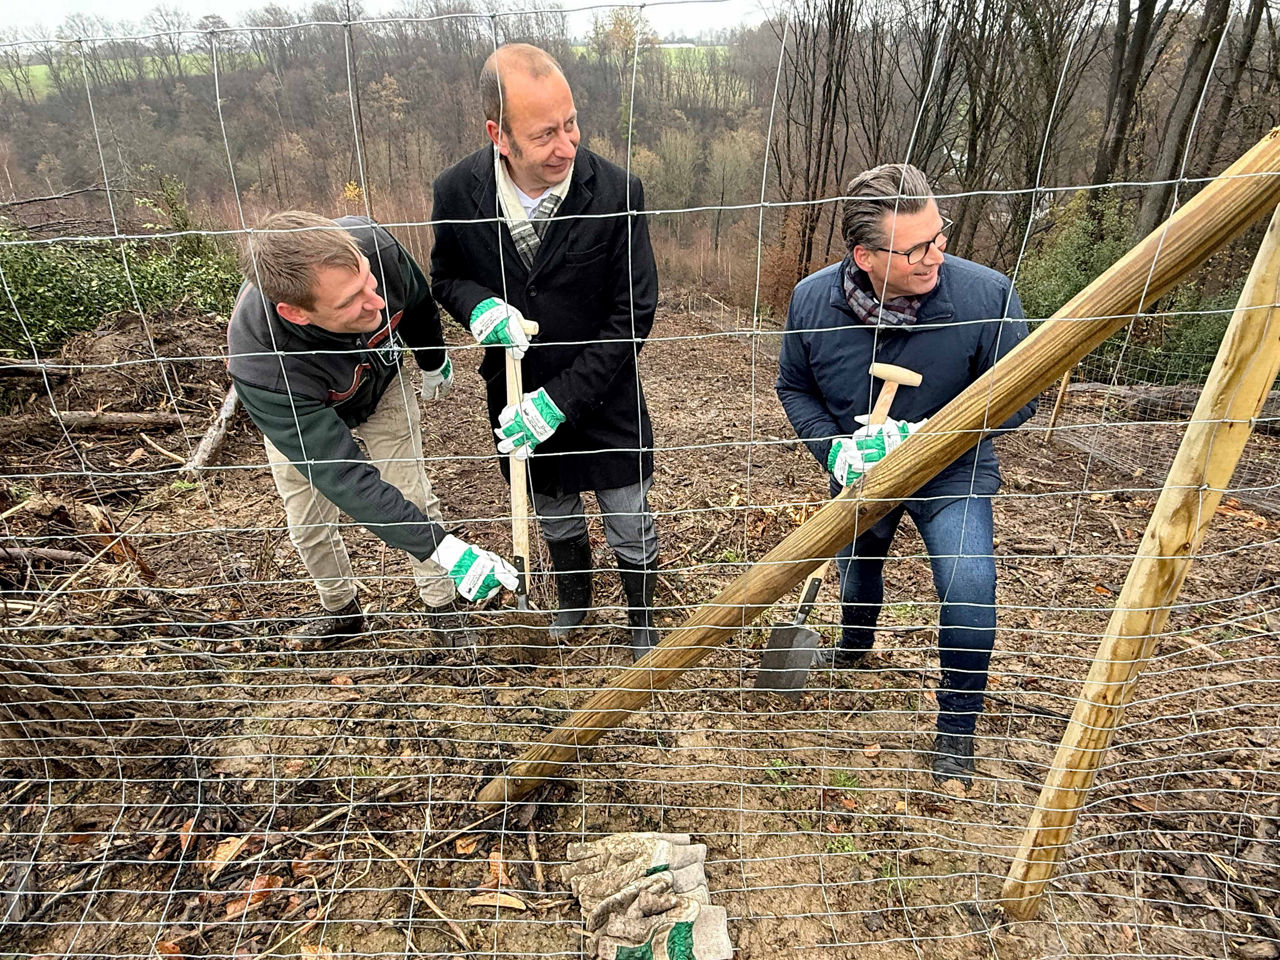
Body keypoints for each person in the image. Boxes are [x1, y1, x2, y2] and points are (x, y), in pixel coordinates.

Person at [775, 163, 1036, 785]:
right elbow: (794, 387)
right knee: (857, 568)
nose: (936, 254)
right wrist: (834, 450)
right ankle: (854, 647)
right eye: (916, 248)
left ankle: (957, 727)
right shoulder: (812, 300)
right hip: (862, 468)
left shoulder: (986, 297)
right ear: (864, 256)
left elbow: (1023, 395)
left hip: (952, 470)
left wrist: (932, 438)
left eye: (940, 235)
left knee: (969, 585)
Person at [430, 43, 660, 659]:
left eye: (571, 123)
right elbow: (446, 275)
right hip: (514, 386)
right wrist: (479, 306)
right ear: (498, 136)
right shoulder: (457, 192)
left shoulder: (616, 190)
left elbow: (633, 312)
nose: (567, 146)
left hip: (603, 390)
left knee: (627, 510)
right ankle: (573, 600)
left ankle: (642, 614)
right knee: (552, 505)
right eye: (545, 134)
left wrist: (560, 401)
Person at [227, 210, 518, 646]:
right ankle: (340, 610)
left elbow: (416, 304)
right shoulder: (261, 367)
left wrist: (432, 359)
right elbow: (343, 476)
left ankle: (442, 608)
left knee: (412, 492)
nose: (377, 302)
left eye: (368, 279)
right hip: (304, 413)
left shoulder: (375, 247)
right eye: (350, 300)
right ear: (296, 313)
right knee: (308, 521)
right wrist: (444, 548)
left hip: (382, 385)